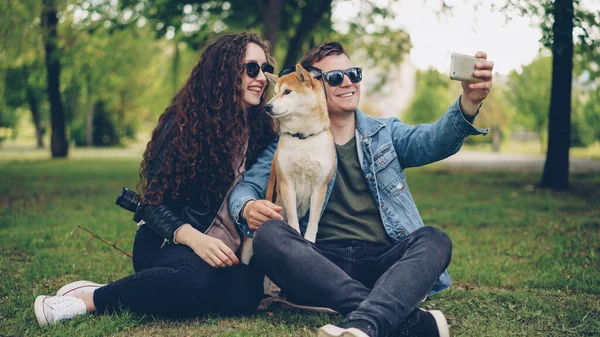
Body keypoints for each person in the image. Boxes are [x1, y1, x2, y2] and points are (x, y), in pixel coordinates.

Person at [228, 41, 494, 337]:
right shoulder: (290, 140)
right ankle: (397, 318)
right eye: (335, 77)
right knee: (270, 235)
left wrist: (468, 103)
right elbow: (246, 188)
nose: (348, 83)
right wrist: (247, 207)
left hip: (383, 261)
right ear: (313, 85)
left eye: (354, 74)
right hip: (318, 262)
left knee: (435, 239)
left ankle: (361, 321)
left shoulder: (384, 132)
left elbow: (433, 140)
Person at [33, 32, 279, 326]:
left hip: (220, 254)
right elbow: (152, 204)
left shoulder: (261, 130)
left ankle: (138, 290)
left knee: (245, 294)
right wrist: (196, 240)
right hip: (169, 242)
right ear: (225, 72)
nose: (262, 77)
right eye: (252, 68)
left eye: (265, 69)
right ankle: (89, 299)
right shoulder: (187, 123)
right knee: (194, 283)